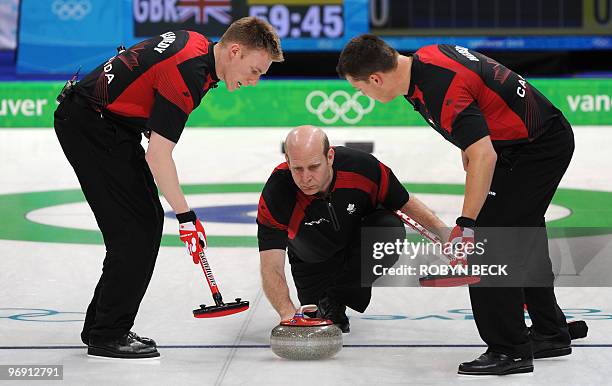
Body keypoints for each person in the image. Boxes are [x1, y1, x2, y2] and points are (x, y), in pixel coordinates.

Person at [337, 35, 575, 375]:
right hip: (525, 142)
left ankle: (509, 351)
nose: (365, 97)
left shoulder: (439, 89)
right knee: (522, 234)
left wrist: (467, 224)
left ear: (376, 78)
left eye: (361, 90)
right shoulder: (425, 59)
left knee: (490, 243)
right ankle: (550, 331)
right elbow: (478, 100)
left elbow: (483, 154)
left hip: (535, 149)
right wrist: (470, 143)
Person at [53, 17, 283, 359]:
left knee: (140, 226)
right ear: (235, 51)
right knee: (134, 231)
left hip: (105, 123)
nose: (253, 81)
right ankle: (106, 333)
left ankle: (103, 326)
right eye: (255, 71)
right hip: (92, 127)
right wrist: (186, 217)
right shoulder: (190, 74)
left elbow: (143, 76)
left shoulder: (196, 43)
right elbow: (159, 155)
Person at [257, 125, 448, 333]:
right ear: (287, 161)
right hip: (311, 260)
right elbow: (271, 266)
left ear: (330, 156)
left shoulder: (362, 167)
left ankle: (337, 297)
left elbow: (404, 201)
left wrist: (446, 235)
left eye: (313, 167)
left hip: (357, 249)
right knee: (318, 315)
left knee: (388, 228)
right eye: (297, 169)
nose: (306, 178)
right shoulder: (278, 191)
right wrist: (288, 315)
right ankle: (328, 299)